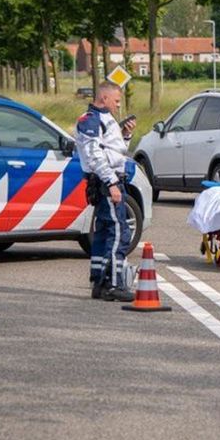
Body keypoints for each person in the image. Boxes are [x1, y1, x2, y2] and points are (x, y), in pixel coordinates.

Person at [75, 82, 137, 302]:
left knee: (103, 233)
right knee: (119, 233)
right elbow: (94, 155)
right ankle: (114, 284)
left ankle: (99, 282)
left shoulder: (104, 119)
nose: (118, 105)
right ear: (103, 98)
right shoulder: (91, 120)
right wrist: (111, 183)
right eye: (116, 100)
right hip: (106, 182)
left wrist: (126, 136)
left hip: (107, 180)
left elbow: (112, 150)